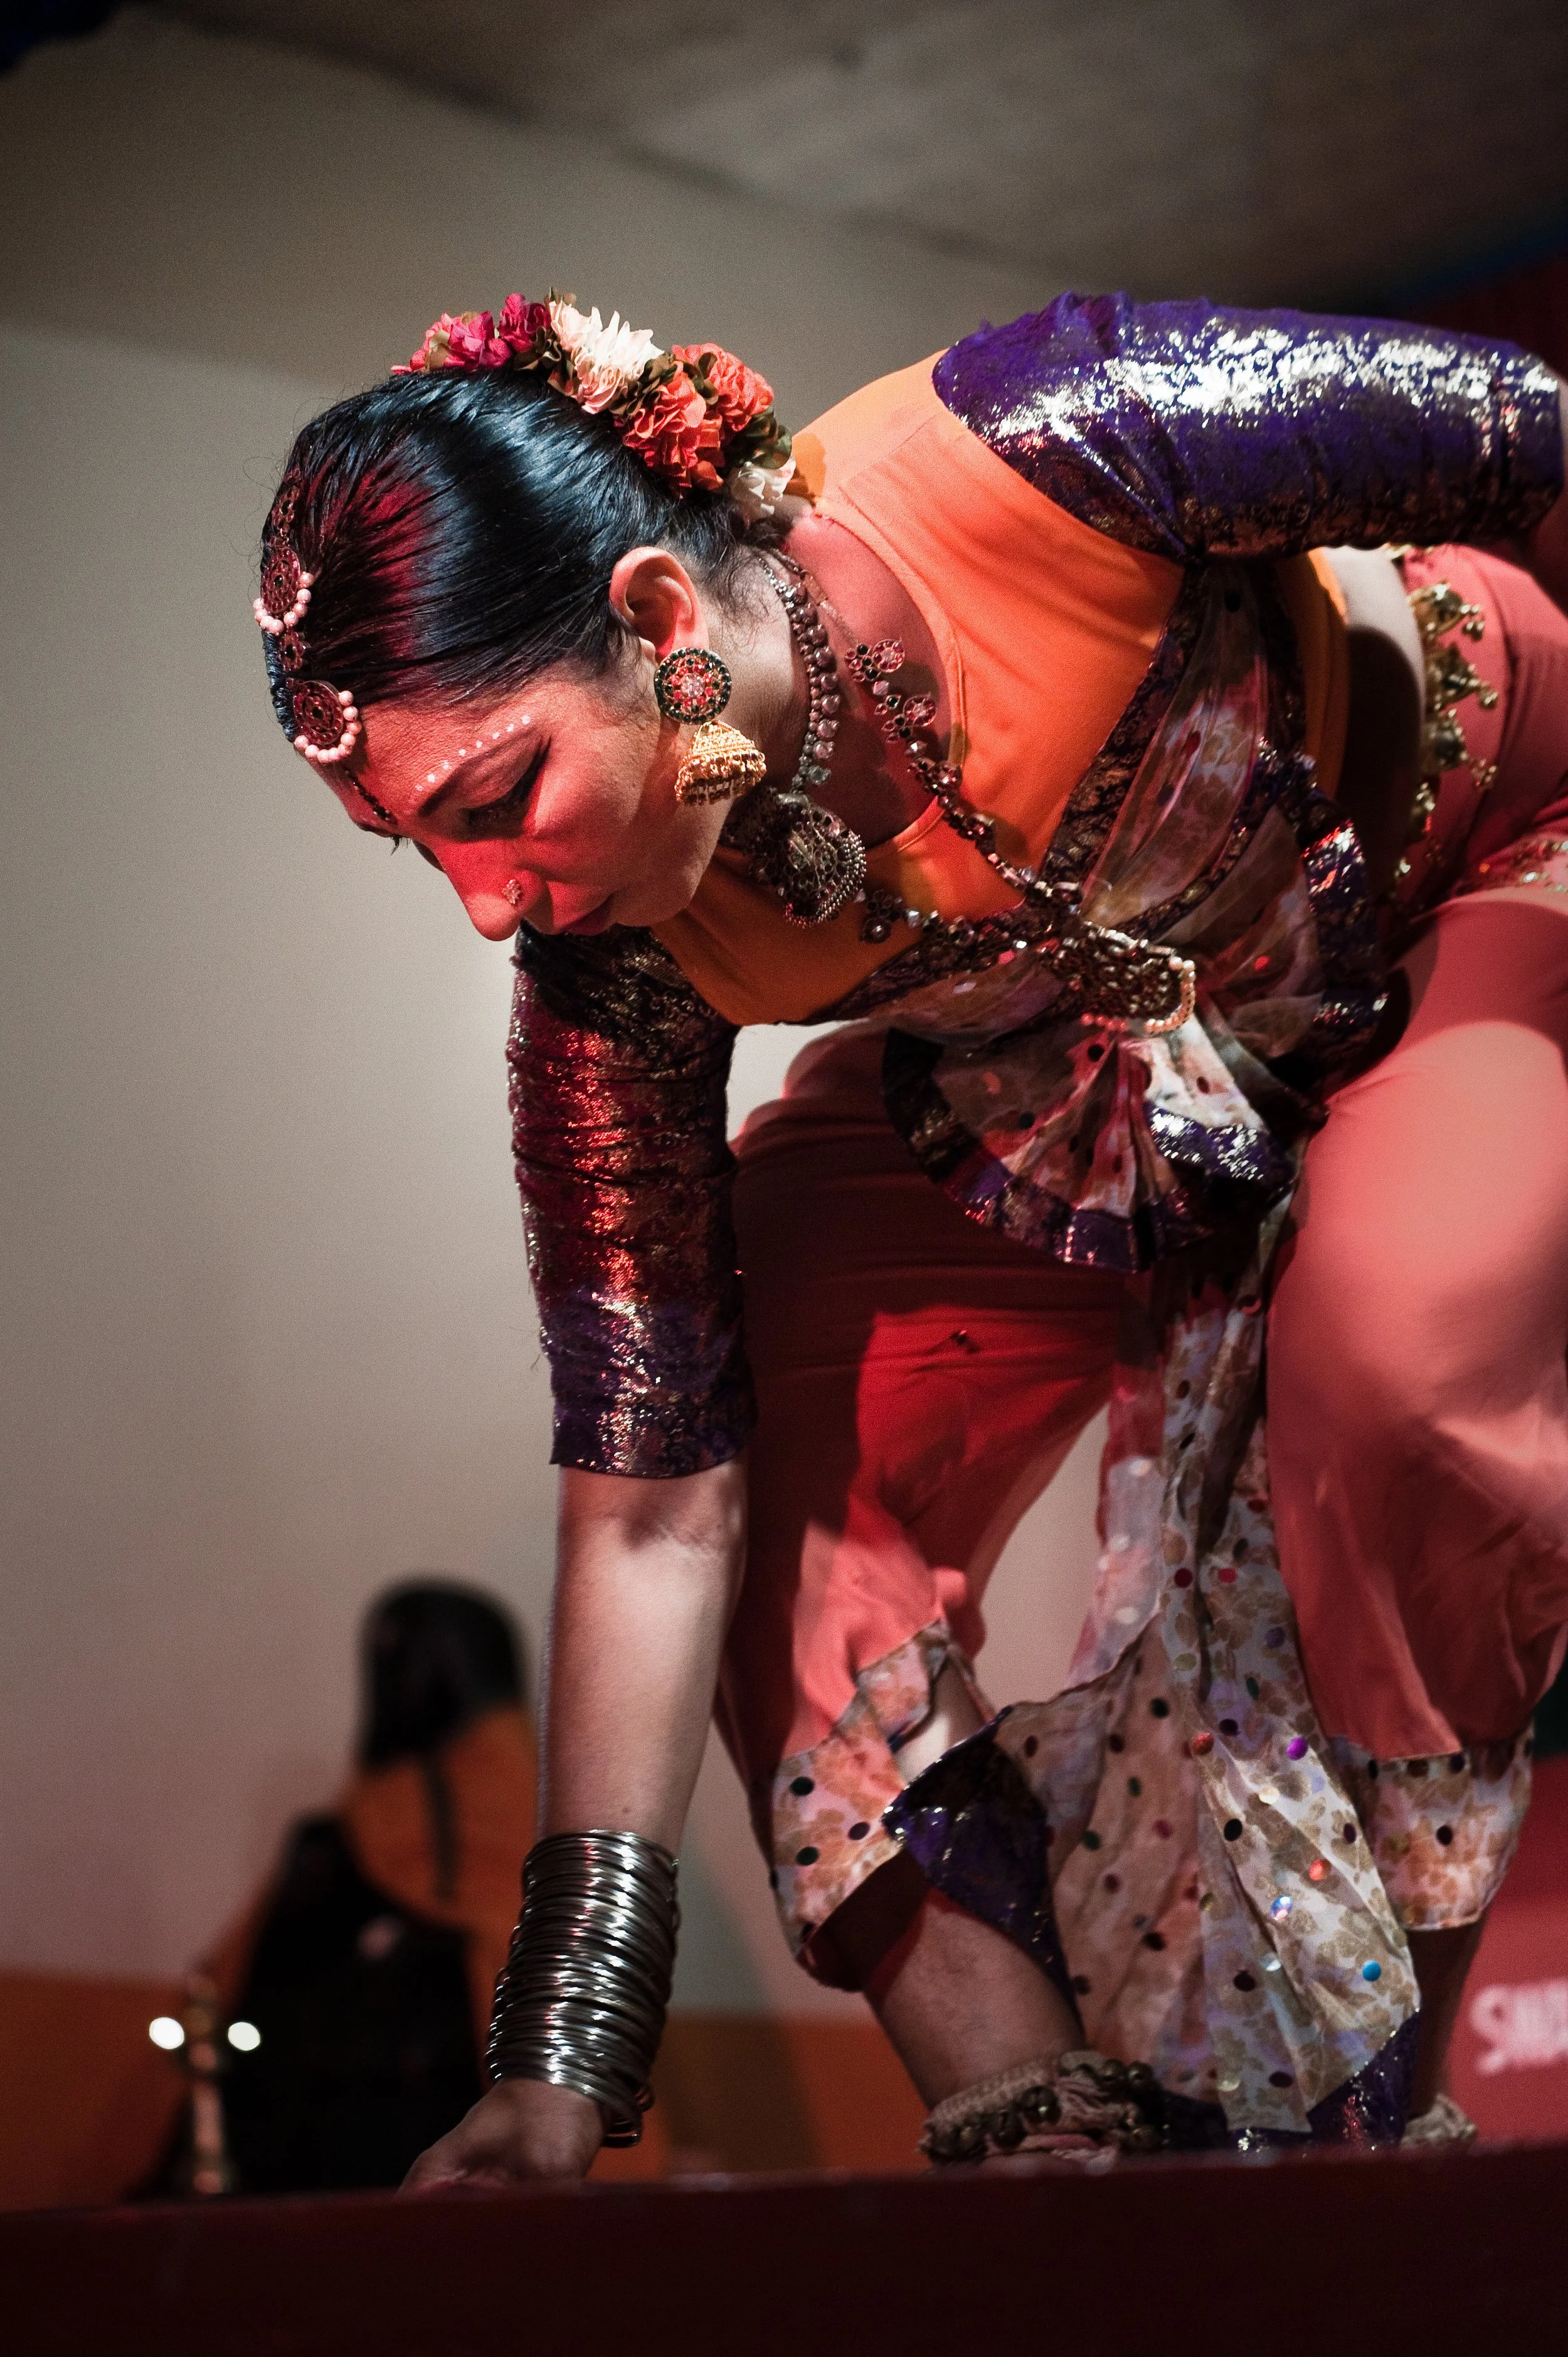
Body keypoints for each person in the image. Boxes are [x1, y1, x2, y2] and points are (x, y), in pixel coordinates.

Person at [249, 290, 1568, 2179]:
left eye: (493, 799)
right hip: (1070, 1051)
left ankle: (1365, 2122)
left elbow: (1530, 434)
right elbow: (647, 1501)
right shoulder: (609, 965)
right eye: (417, 845)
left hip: (1458, 856)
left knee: (1394, 1353)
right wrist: (559, 2057)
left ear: (651, 620)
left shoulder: (1046, 438)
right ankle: (1038, 2134)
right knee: (773, 1438)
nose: (481, 905)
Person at [148, 1580, 539, 2193]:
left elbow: (510, 1946)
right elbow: (265, 1977)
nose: (394, 1679)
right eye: (383, 1657)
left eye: (414, 1655)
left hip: (448, 2091)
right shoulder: (354, 1821)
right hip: (322, 2117)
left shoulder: (524, 1808)